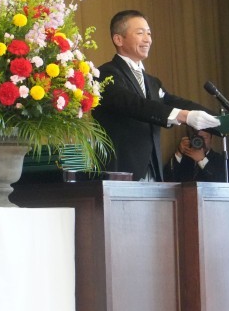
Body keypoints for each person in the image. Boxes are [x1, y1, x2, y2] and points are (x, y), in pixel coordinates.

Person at [93, 10, 220, 182]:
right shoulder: (105, 74)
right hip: (120, 173)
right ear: (118, 39)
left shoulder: (152, 82)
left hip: (153, 174)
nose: (148, 39)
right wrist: (184, 116)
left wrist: (224, 122)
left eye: (149, 33)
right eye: (140, 33)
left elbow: (175, 102)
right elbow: (135, 104)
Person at [163, 128, 229, 182]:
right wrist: (179, 153)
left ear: (211, 139)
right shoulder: (185, 158)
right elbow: (168, 177)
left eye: (204, 137)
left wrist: (202, 160)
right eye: (198, 137)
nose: (201, 141)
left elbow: (221, 181)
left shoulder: (221, 160)